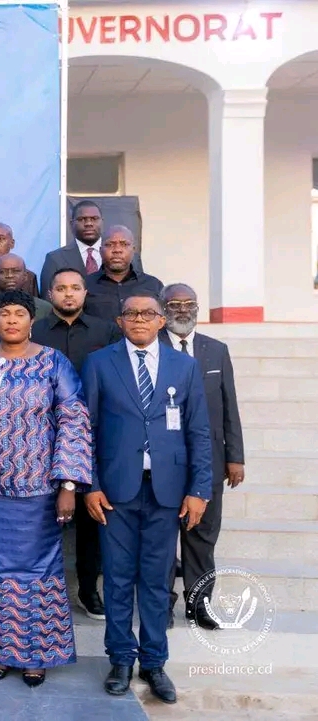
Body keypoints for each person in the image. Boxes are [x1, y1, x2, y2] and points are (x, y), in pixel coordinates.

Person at [82, 292, 213, 704]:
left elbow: (199, 432)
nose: (139, 319)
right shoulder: (100, 363)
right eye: (131, 313)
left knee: (156, 582)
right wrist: (90, 484)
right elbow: (83, 429)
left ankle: (154, 662)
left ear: (161, 321)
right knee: (118, 578)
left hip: (167, 491)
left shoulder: (184, 366)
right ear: (120, 321)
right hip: (115, 491)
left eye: (148, 313)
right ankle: (120, 659)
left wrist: (198, 489)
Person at [0, 290, 92, 688]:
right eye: (5, 314)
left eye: (20, 313)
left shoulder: (54, 363)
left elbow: (74, 421)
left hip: (39, 492)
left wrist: (68, 483)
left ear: (32, 320)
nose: (12, 320)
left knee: (37, 573)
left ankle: (35, 653)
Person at [32, 267, 122, 622]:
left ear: (85, 293)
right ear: (49, 293)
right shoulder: (34, 332)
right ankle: (38, 594)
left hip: (92, 436)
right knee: (40, 520)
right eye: (60, 288)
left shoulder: (106, 331)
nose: (68, 294)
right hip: (38, 437)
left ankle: (87, 589)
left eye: (75, 288)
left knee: (90, 519)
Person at [161, 283, 245, 631]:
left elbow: (229, 407)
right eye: (175, 304)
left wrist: (235, 456)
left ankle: (201, 605)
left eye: (189, 304)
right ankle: (161, 604)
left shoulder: (216, 350)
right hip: (164, 460)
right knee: (164, 538)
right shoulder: (152, 347)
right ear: (163, 308)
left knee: (203, 535)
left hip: (208, 459)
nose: (182, 310)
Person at [39, 200, 144, 300]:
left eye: (94, 218)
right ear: (71, 224)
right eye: (82, 219)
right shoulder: (55, 259)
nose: (88, 223)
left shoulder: (130, 256)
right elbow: (48, 300)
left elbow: (139, 290)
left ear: (102, 222)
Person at [83, 226, 163, 322]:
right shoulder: (85, 285)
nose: (117, 250)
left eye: (124, 244)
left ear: (133, 250)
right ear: (100, 251)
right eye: (110, 244)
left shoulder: (153, 285)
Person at [0, 253, 52, 327]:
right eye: (2, 272)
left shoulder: (45, 309)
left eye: (16, 271)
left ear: (25, 276)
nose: (9, 276)